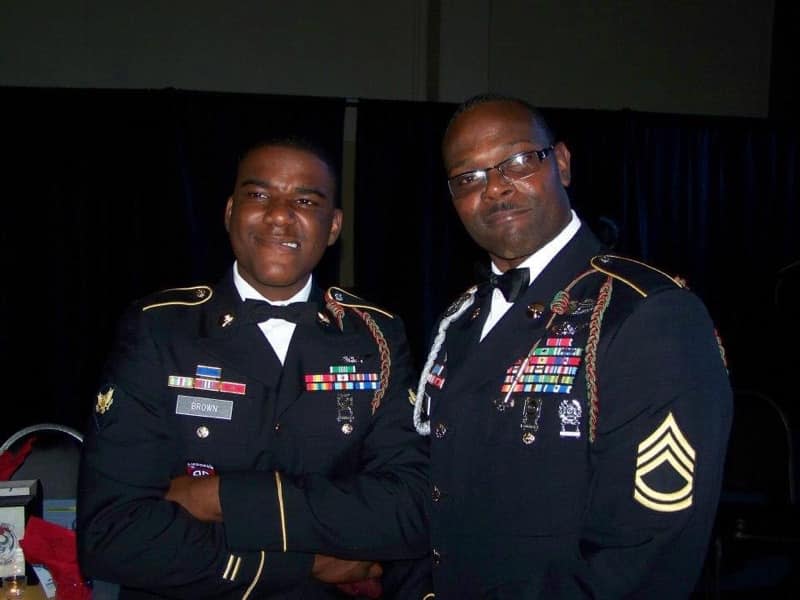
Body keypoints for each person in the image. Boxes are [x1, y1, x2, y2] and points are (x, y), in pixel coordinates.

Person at [77, 137, 431, 599]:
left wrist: (221, 498)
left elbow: (412, 508)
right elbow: (113, 535)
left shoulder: (376, 336)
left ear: (333, 227)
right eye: (259, 195)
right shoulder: (160, 331)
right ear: (229, 213)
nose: (280, 214)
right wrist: (306, 563)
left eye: (305, 200)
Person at [412, 94, 733, 598]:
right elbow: (437, 488)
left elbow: (643, 559)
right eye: (468, 178)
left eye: (517, 161)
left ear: (561, 163)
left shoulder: (646, 313)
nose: (494, 188)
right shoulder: (458, 318)